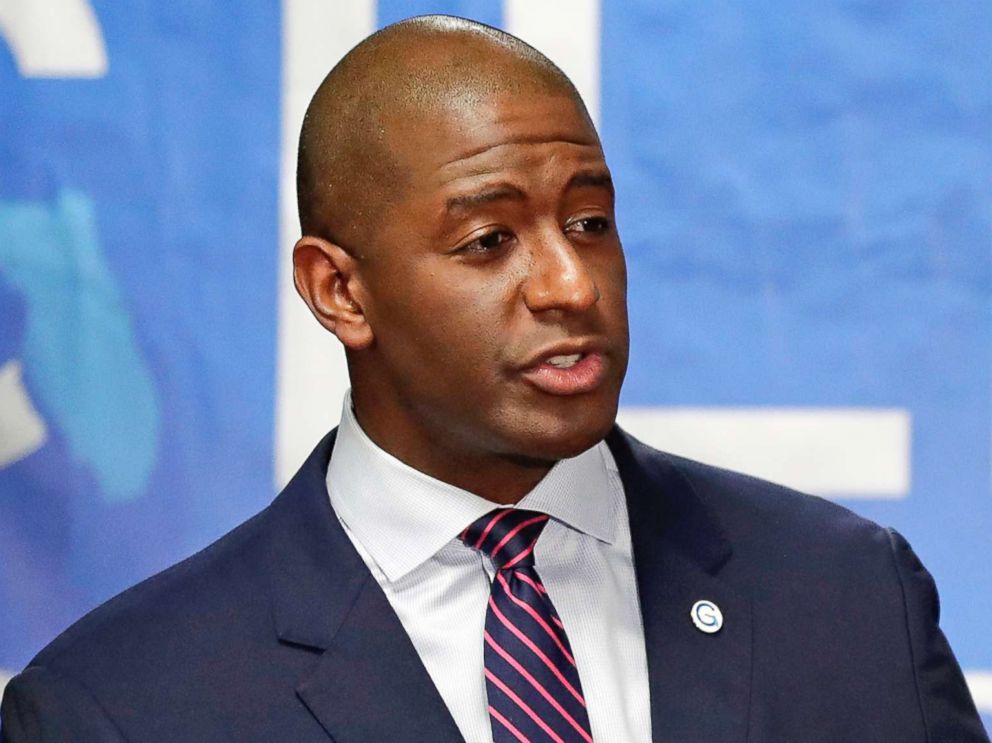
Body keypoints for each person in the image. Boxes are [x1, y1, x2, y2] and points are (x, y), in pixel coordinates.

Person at [1, 15, 987, 743]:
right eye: (488, 239)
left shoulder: (850, 600)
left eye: (589, 222)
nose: (568, 282)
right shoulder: (122, 706)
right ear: (339, 290)